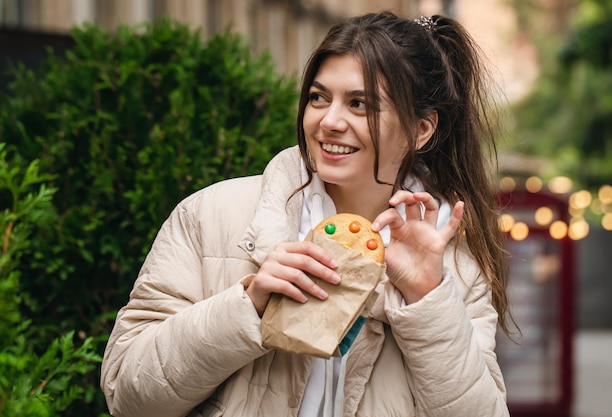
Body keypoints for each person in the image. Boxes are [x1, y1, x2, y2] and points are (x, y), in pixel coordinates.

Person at [101, 11, 513, 417]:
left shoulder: (453, 264)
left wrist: (425, 298)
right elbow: (128, 395)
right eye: (319, 97)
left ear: (421, 130)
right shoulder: (211, 216)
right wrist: (250, 304)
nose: (329, 121)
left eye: (359, 104)